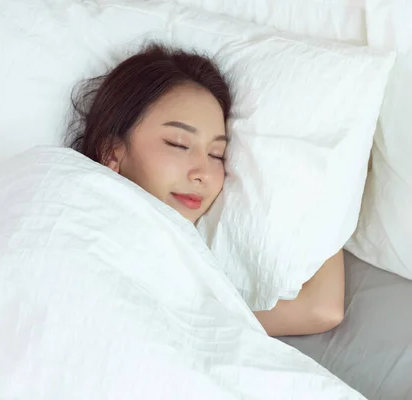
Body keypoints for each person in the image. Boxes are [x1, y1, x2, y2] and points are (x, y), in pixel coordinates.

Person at [67, 42, 345, 337]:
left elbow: (320, 309)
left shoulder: (188, 283)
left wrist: (329, 181)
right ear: (111, 151)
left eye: (216, 155)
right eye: (178, 144)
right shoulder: (65, 214)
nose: (202, 174)